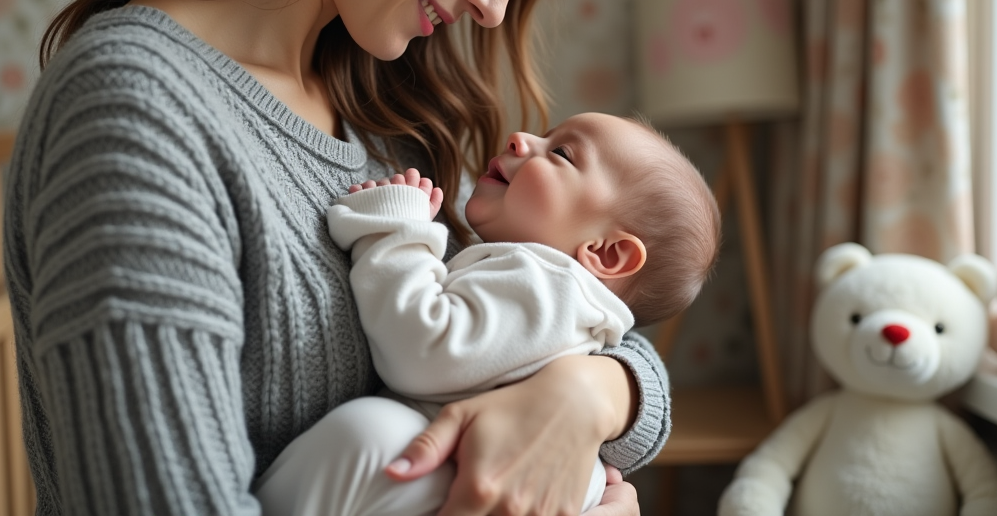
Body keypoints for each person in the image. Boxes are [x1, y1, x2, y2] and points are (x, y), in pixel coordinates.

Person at [4, 0, 669, 513]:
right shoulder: (136, 112)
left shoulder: (383, 111)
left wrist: (587, 395)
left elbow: (580, 311)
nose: (497, 8)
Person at [254, 112, 721, 516]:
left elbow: (425, 350)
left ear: (606, 252)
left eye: (562, 154)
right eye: (545, 135)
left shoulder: (548, 282)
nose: (521, 139)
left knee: (368, 434)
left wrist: (394, 231)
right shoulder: (566, 302)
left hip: (455, 474)